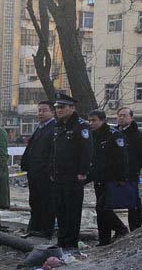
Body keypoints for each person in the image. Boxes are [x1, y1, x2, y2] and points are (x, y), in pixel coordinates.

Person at [50, 93, 92, 250]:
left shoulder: (81, 126)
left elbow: (86, 151)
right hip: (59, 174)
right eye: (57, 107)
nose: (59, 110)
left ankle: (71, 241)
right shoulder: (59, 125)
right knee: (60, 209)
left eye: (62, 107)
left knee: (72, 209)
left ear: (72, 108)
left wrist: (83, 171)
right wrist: (52, 170)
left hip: (73, 175)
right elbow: (54, 151)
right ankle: (62, 240)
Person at [87, 110, 130, 246]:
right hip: (99, 177)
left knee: (102, 207)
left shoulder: (114, 134)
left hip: (112, 178)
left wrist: (122, 178)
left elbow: (121, 158)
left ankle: (121, 229)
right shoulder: (92, 135)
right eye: (89, 120)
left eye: (94, 120)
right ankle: (103, 240)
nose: (91, 123)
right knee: (102, 210)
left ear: (103, 120)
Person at [21, 101, 57, 238]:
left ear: (52, 112)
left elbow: (52, 152)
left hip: (45, 172)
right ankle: (35, 227)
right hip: (34, 171)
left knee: (46, 201)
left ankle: (46, 229)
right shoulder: (40, 127)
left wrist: (50, 170)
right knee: (35, 200)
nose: (40, 113)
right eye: (39, 110)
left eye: (44, 110)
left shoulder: (54, 128)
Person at [115, 107, 142, 230]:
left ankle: (135, 229)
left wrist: (135, 166)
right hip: (112, 173)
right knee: (106, 203)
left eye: (124, 115)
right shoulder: (113, 133)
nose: (121, 118)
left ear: (131, 118)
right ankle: (119, 229)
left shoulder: (139, 136)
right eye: (119, 115)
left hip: (131, 173)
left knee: (133, 203)